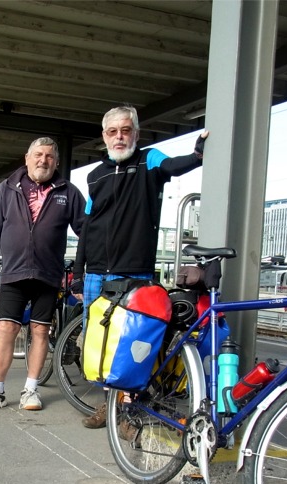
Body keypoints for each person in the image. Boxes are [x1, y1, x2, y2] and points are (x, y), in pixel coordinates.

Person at [71, 105, 208, 428]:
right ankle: (110, 404)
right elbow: (87, 228)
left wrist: (197, 155)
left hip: (135, 272)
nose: (120, 137)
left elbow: (173, 166)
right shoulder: (95, 175)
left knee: (134, 342)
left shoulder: (150, 160)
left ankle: (131, 409)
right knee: (102, 342)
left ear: (136, 133)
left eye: (126, 130)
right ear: (104, 136)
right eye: (113, 132)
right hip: (96, 273)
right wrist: (78, 274)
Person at [0, 137, 85, 412]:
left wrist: (87, 269)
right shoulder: (8, 188)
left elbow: (88, 232)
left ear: (56, 162)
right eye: (38, 155)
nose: (43, 160)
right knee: (6, 328)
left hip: (48, 274)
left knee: (40, 330)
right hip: (14, 272)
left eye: (48, 156)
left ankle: (30, 390)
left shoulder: (68, 192)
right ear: (27, 158)